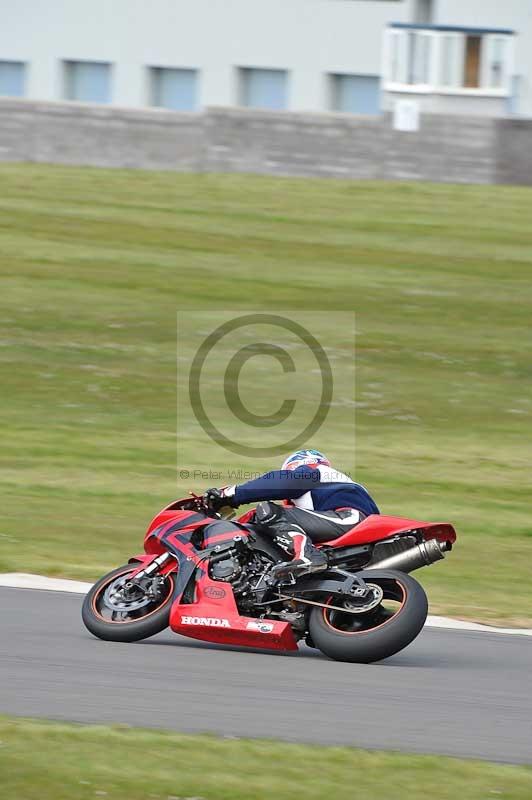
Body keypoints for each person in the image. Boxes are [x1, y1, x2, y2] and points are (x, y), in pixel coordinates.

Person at [204, 449, 379, 581]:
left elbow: (280, 483)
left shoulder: (315, 471)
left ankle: (307, 556)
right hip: (352, 529)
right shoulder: (334, 487)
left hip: (349, 520)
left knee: (267, 511)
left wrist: (231, 494)